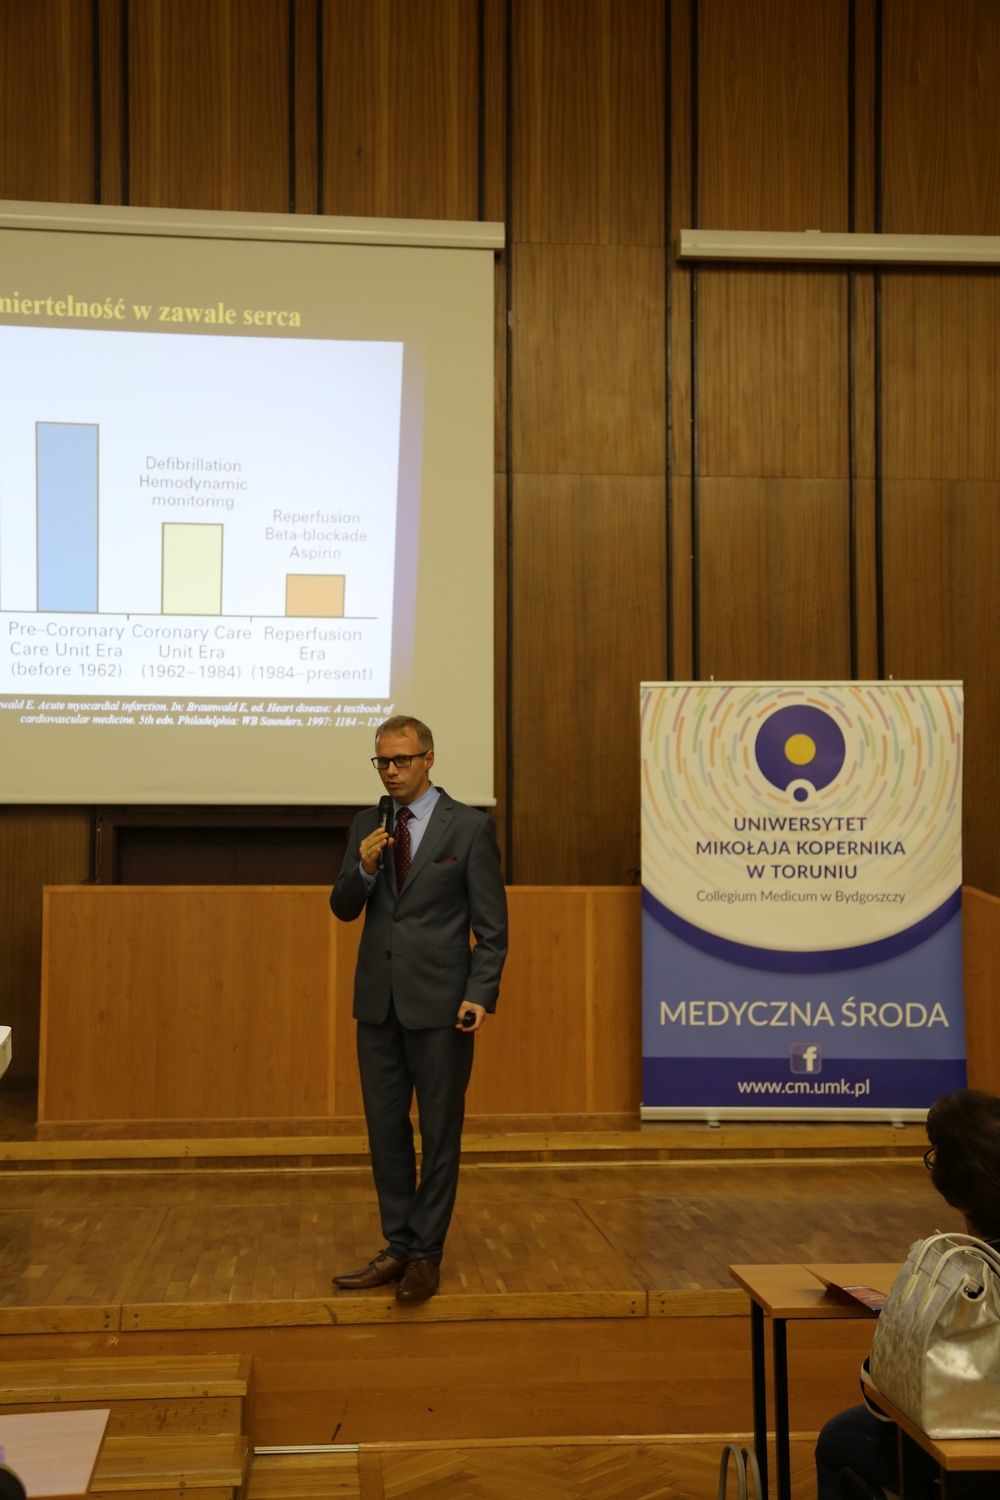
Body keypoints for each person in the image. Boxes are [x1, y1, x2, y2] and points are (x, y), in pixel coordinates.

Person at [328, 715, 508, 1303]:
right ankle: (398, 1246)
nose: (391, 771)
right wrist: (364, 869)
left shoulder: (470, 828)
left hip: (443, 1008)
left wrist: (479, 993)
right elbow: (342, 907)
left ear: (429, 759)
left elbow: (493, 929)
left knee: (438, 1133)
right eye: (382, 761)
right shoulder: (367, 824)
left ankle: (426, 1255)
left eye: (402, 760)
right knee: (385, 1132)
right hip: (378, 1004)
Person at [815, 1088, 1000, 1499]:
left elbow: (885, 1394)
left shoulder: (958, 1279)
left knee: (838, 1437)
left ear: (956, 1191)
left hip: (967, 1461)